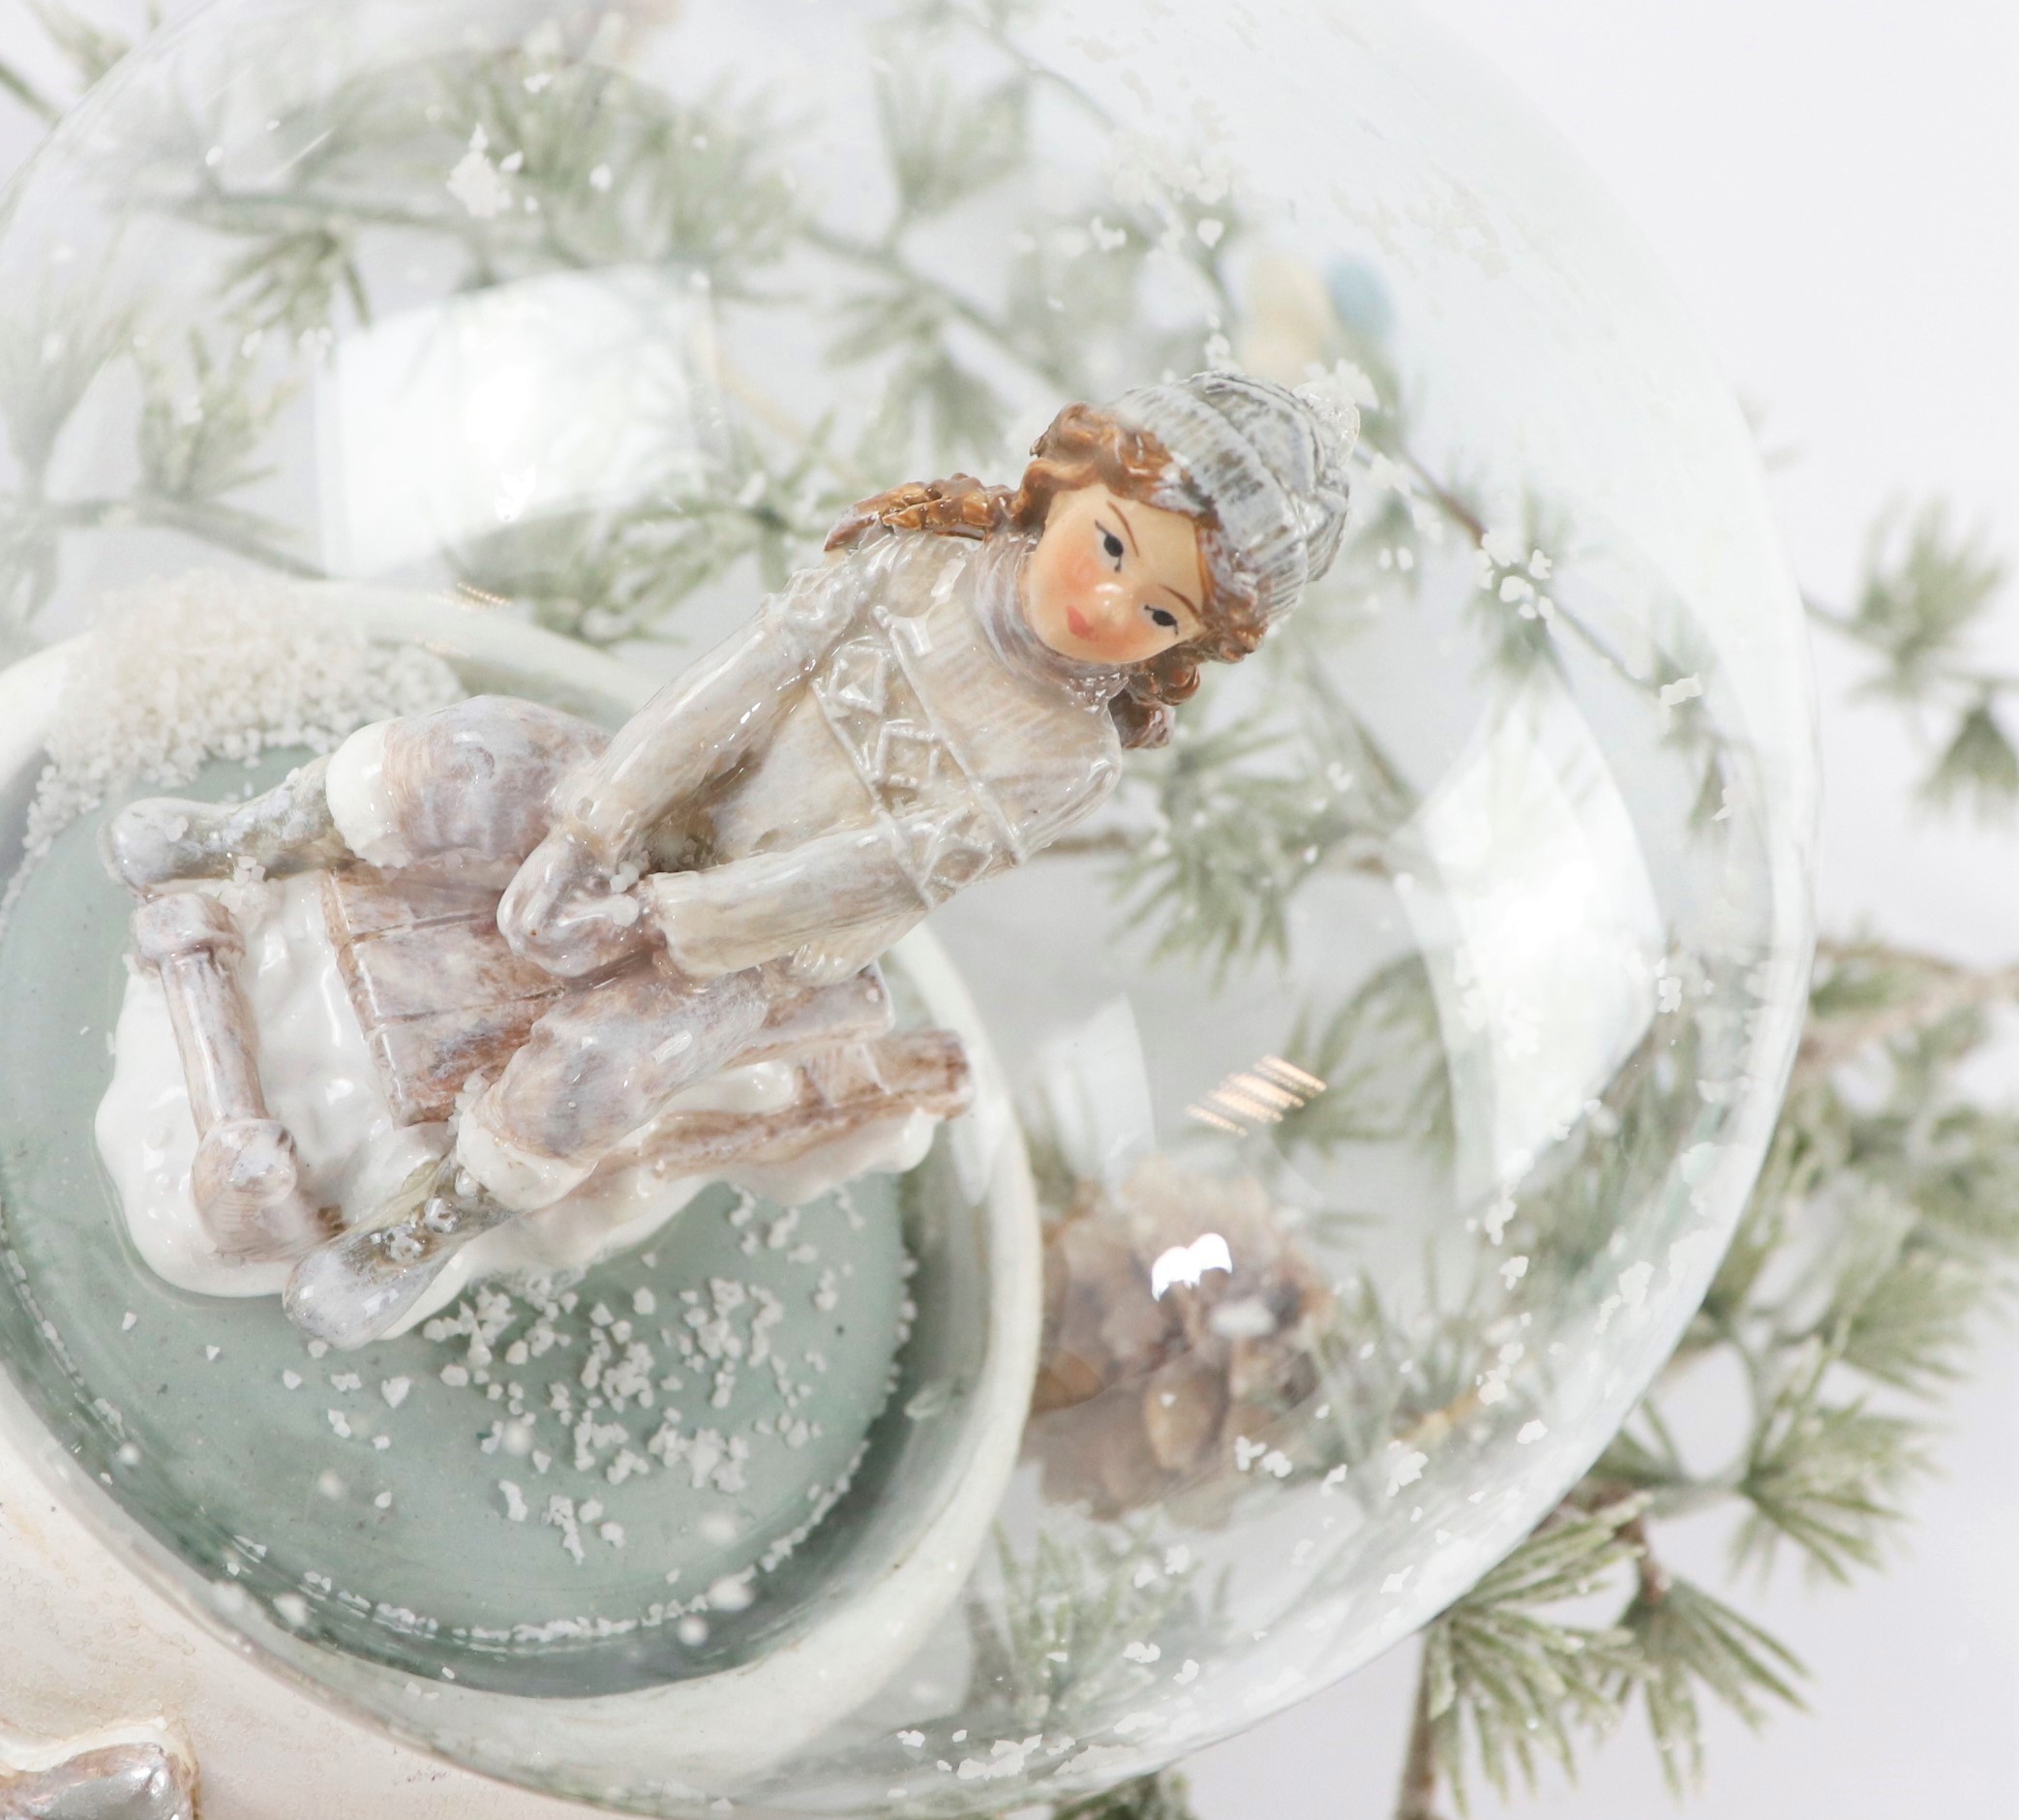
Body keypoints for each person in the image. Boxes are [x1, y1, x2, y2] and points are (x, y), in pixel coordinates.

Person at [106, 372, 1352, 1340]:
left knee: (595, 1073)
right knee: (462, 758)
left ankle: (427, 1222)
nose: (1106, 605)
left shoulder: (1066, 753)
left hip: (760, 940)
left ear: (1188, 646)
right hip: (671, 797)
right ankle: (251, 836)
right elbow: (739, 677)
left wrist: (667, 921)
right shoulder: (916, 564)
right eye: (1113, 547)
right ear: (1067, 482)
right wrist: (597, 824)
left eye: (1160, 612)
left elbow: (880, 868)